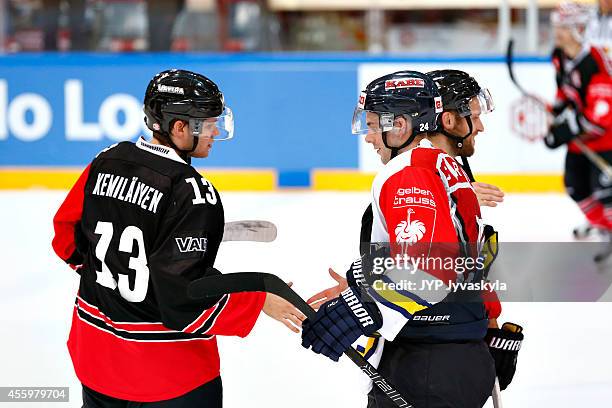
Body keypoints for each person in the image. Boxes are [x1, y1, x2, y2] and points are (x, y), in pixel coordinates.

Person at [52, 69, 304, 407]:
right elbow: (185, 300)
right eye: (208, 123)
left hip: (96, 360)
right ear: (179, 127)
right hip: (169, 375)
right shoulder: (192, 193)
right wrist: (257, 301)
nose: (215, 131)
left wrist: (109, 265)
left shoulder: (106, 160)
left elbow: (66, 236)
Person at [302, 70, 522, 408]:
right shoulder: (443, 166)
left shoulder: (411, 172)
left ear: (401, 125)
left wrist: (360, 308)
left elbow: (434, 269)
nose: (368, 137)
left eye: (375, 125)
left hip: (428, 363)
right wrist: (362, 284)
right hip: (450, 356)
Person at [545, 2, 612, 260]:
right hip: (579, 142)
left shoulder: (596, 62)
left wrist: (566, 129)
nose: (557, 31)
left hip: (605, 140)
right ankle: (606, 230)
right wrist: (558, 112)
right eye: (557, 25)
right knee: (575, 187)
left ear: (578, 28)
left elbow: (600, 118)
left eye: (563, 26)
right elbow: (564, 91)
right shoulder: (559, 55)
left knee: (605, 192)